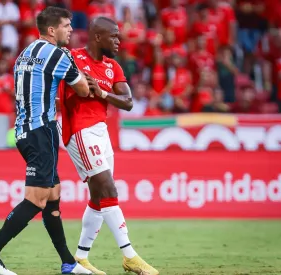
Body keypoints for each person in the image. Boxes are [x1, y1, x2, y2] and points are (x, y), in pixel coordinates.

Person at [0, 6, 92, 275]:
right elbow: (83, 89)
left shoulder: (24, 54)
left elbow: (30, 92)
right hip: (41, 130)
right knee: (37, 198)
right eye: (66, 25)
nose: (71, 30)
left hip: (25, 130)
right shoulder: (58, 55)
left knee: (53, 195)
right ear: (52, 30)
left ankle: (68, 263)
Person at [59, 17, 159, 275]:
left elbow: (127, 101)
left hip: (101, 130)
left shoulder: (113, 66)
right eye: (113, 36)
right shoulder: (73, 58)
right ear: (97, 37)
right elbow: (69, 89)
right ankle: (130, 255)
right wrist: (82, 85)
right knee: (108, 187)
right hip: (79, 128)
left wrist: (102, 93)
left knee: (98, 197)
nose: (118, 41)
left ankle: (80, 258)